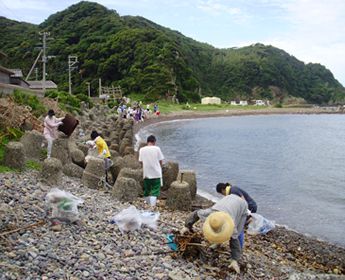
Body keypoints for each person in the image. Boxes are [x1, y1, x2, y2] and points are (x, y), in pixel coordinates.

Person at [181, 194, 248, 274]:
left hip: (242, 206)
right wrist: (187, 226)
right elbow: (196, 214)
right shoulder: (211, 214)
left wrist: (234, 260)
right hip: (228, 200)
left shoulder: (231, 225)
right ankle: (218, 242)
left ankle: (237, 256)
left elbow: (234, 240)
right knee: (224, 231)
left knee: (237, 233)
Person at [216, 182, 257, 249]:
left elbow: (243, 201)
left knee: (239, 228)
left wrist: (244, 214)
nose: (222, 195)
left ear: (223, 190)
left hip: (250, 206)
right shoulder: (230, 191)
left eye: (221, 193)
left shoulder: (233, 191)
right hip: (245, 207)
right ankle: (248, 220)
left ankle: (239, 248)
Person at [138, 135, 164, 207]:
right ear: (154, 142)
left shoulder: (142, 150)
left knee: (147, 190)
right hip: (156, 173)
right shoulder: (157, 149)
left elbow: (140, 161)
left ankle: (148, 204)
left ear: (147, 142)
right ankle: (152, 206)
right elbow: (161, 161)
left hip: (146, 173)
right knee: (155, 190)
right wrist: (160, 167)